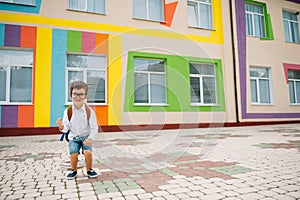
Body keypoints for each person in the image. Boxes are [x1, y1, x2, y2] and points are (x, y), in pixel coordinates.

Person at [56, 81, 98, 180]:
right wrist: (62, 127)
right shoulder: (68, 111)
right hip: (73, 138)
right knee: (73, 153)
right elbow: (66, 127)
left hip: (86, 137)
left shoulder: (89, 111)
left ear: (86, 96)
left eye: (81, 94)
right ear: (71, 95)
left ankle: (89, 170)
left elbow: (94, 127)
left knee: (87, 152)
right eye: (75, 94)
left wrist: (91, 138)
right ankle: (73, 170)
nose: (78, 97)